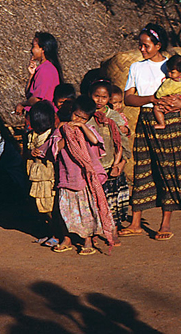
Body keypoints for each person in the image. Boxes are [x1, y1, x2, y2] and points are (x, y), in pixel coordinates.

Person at [121, 24, 181, 241]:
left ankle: (165, 222)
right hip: (146, 119)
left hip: (170, 122)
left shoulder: (171, 65)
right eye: (140, 45)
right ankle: (135, 223)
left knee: (167, 167)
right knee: (143, 166)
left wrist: (180, 103)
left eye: (146, 45)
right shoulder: (136, 68)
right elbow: (128, 98)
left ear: (158, 45)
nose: (142, 49)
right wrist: (151, 99)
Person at [43, 97, 117, 255]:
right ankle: (67, 238)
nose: (77, 120)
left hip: (84, 179)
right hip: (67, 177)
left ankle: (87, 240)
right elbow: (54, 147)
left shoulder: (87, 129)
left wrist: (82, 127)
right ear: (71, 112)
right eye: (76, 116)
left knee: (86, 211)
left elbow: (95, 140)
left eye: (83, 118)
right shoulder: (61, 129)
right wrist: (67, 137)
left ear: (88, 119)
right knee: (66, 210)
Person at [89, 80, 131, 229]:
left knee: (112, 201)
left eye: (104, 97)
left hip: (112, 164)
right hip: (93, 166)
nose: (100, 100)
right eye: (96, 96)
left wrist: (119, 163)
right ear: (90, 95)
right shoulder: (86, 115)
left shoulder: (114, 116)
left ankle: (113, 228)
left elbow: (121, 143)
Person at [26, 101, 59, 247]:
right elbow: (26, 152)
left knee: (51, 206)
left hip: (49, 177)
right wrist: (30, 153)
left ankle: (56, 234)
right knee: (40, 206)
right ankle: (47, 232)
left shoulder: (53, 135)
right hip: (36, 177)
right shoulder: (30, 135)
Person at [16, 32, 62, 115]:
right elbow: (29, 94)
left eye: (33, 46)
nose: (31, 50)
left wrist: (22, 104)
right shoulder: (44, 68)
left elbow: (37, 99)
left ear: (43, 49)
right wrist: (32, 75)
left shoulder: (46, 70)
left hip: (42, 117)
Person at [151, 54, 181, 130]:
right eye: (168, 71)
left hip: (169, 102)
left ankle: (161, 123)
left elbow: (159, 94)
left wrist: (160, 96)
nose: (169, 74)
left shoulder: (169, 83)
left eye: (172, 72)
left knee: (156, 108)